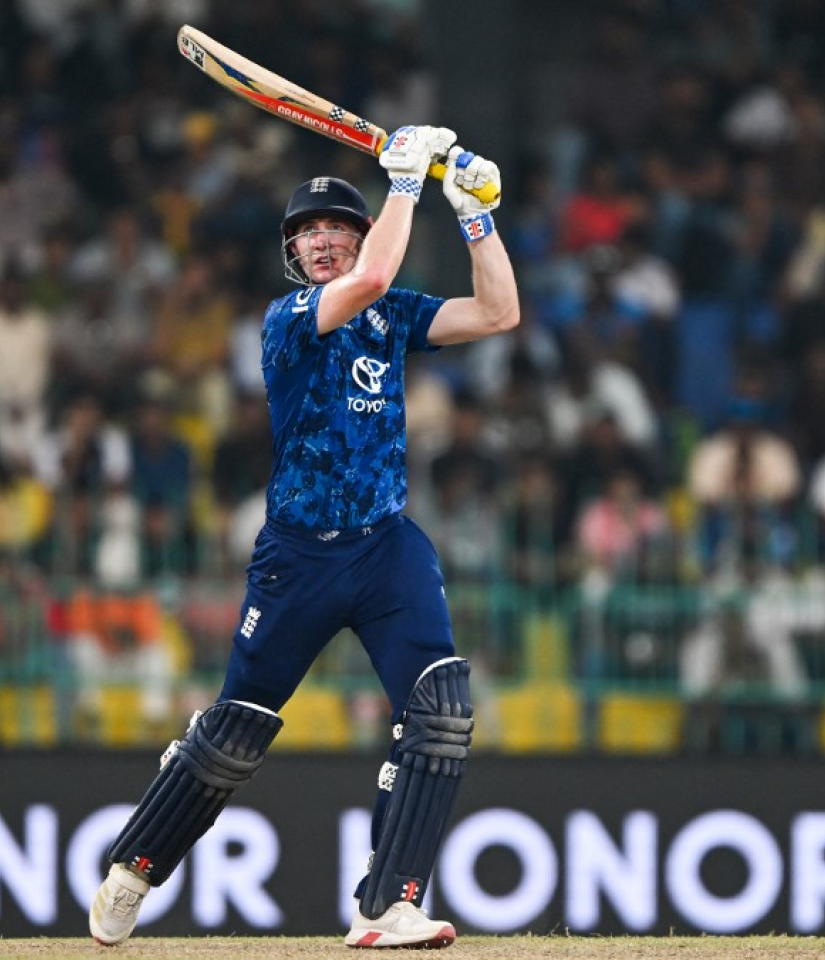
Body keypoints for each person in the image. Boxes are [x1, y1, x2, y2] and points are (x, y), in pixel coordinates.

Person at [89, 125, 518, 949]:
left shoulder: (391, 315)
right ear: (293, 253)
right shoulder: (287, 318)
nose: (320, 241)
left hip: (385, 546)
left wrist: (475, 215)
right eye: (306, 233)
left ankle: (387, 905)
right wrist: (405, 184)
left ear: (360, 234)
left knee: (441, 708)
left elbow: (499, 312)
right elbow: (375, 275)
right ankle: (135, 867)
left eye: (336, 229)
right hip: (299, 556)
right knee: (237, 731)